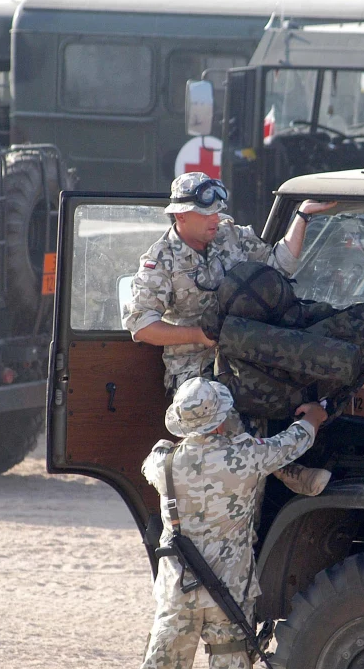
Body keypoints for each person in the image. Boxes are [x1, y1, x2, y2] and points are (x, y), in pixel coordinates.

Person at [128, 378, 328, 669]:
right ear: (222, 421)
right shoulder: (246, 458)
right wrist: (314, 418)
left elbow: (155, 454)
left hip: (176, 593)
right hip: (229, 595)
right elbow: (292, 443)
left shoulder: (162, 463)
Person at [124, 171, 336, 495]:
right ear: (181, 215)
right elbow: (141, 326)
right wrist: (198, 336)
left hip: (243, 354)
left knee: (285, 392)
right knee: (226, 423)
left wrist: (303, 216)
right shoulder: (160, 260)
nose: (216, 219)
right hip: (194, 370)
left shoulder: (230, 236)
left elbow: (279, 266)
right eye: (206, 213)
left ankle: (280, 473)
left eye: (218, 211)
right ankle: (285, 469)